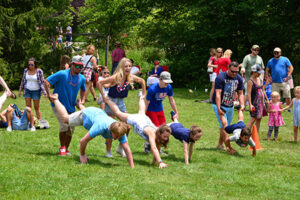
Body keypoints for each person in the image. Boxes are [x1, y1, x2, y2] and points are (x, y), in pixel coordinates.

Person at [50, 93, 134, 167]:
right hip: (86, 116)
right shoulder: (100, 127)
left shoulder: (120, 130)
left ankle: (79, 105)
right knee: (65, 119)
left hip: (97, 114)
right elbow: (83, 141)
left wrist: (132, 166)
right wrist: (82, 155)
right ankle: (56, 99)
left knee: (88, 112)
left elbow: (126, 147)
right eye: (115, 135)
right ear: (110, 130)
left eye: (118, 136)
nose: (116, 138)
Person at [104, 92, 171, 168]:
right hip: (137, 121)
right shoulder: (152, 133)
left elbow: (157, 148)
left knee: (142, 112)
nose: (166, 139)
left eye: (167, 137)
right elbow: (153, 147)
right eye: (165, 136)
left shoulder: (159, 135)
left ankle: (141, 96)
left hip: (145, 120)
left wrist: (155, 162)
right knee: (118, 113)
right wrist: (160, 162)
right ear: (160, 133)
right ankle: (106, 99)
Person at [97, 57, 146, 157]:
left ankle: (120, 148)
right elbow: (99, 83)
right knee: (111, 127)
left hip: (121, 102)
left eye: (129, 66)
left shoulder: (130, 77)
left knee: (127, 127)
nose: (128, 68)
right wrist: (103, 97)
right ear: (121, 67)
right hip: (112, 101)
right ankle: (108, 151)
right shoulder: (116, 77)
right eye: (125, 66)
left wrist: (144, 95)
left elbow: (142, 81)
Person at [43, 55, 86, 156]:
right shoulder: (62, 74)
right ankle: (62, 148)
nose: (79, 69)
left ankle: (66, 148)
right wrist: (49, 94)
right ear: (72, 64)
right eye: (77, 66)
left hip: (71, 106)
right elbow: (46, 81)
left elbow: (83, 89)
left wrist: (82, 100)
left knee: (71, 128)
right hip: (58, 104)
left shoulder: (82, 78)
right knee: (64, 125)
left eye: (81, 66)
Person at [212, 61, 245, 150]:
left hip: (230, 105)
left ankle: (220, 144)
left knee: (225, 127)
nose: (234, 74)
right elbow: (218, 94)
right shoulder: (220, 77)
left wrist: (242, 105)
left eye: (236, 72)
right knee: (224, 125)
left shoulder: (238, 78)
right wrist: (218, 108)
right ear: (228, 68)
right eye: (232, 71)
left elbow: (241, 93)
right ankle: (229, 147)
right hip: (220, 104)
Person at [246, 65, 268, 134]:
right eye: (258, 72)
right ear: (253, 72)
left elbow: (263, 90)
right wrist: (250, 104)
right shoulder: (250, 81)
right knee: (253, 119)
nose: (259, 74)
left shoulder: (260, 79)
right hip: (254, 102)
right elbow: (248, 94)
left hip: (261, 102)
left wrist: (267, 99)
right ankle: (245, 134)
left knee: (259, 118)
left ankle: (255, 135)